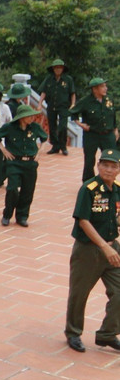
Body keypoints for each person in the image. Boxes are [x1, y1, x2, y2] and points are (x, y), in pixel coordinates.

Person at [63, 148, 120, 354]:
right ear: (98, 166)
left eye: (113, 166)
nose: (108, 169)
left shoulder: (118, 189)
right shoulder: (89, 188)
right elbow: (84, 221)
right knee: (80, 293)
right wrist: (104, 247)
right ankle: (73, 333)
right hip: (89, 249)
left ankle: (107, 333)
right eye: (105, 165)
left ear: (119, 169)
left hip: (113, 247)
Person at [0, 105, 48, 227]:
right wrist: (4, 150)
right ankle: (7, 215)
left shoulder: (35, 128)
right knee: (12, 189)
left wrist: (39, 152)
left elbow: (45, 139)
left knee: (28, 191)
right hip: (14, 162)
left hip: (30, 163)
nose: (32, 118)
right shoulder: (9, 128)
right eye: (29, 116)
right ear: (21, 117)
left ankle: (22, 216)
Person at [70, 77, 118, 182]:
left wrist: (115, 130)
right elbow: (73, 113)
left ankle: (109, 182)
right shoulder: (86, 101)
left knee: (110, 159)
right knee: (89, 160)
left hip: (107, 134)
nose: (105, 88)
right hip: (92, 134)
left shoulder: (109, 100)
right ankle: (88, 184)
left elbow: (113, 115)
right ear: (94, 89)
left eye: (105, 86)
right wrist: (81, 125)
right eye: (102, 86)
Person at [39, 59, 76, 155]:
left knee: (62, 127)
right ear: (53, 69)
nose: (58, 69)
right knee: (52, 126)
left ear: (63, 68)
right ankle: (55, 146)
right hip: (51, 105)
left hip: (63, 106)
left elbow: (72, 93)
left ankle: (63, 146)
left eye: (60, 67)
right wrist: (39, 104)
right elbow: (44, 91)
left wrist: (73, 104)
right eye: (56, 68)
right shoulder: (49, 79)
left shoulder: (68, 79)